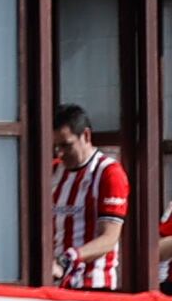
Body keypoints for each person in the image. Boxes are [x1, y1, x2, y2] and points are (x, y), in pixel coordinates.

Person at [54, 104, 133, 290]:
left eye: (66, 145)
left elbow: (109, 237)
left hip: (94, 285)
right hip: (57, 284)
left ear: (86, 136)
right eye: (56, 146)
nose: (61, 153)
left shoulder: (109, 173)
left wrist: (67, 259)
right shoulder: (55, 170)